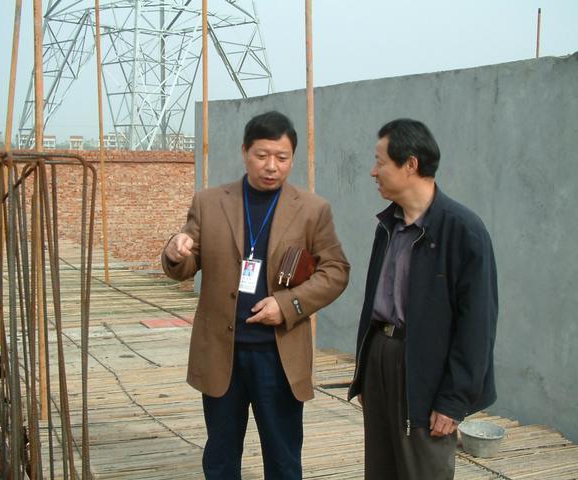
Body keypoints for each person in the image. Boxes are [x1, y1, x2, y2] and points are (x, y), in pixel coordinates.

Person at [162, 110, 350, 479]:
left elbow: (336, 271)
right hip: (222, 353)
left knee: (283, 460)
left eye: (282, 157)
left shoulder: (313, 210)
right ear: (245, 152)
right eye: (262, 155)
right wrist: (175, 252)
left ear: (292, 158)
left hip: (279, 356)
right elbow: (186, 263)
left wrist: (287, 305)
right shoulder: (209, 202)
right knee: (220, 458)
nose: (272, 166)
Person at [348, 118, 498, 479]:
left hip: (425, 372)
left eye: (381, 162)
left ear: (410, 164)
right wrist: (366, 373)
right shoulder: (388, 226)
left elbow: (478, 325)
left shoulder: (463, 230)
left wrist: (454, 400)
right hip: (381, 359)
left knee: (424, 470)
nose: (373, 171)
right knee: (380, 469)